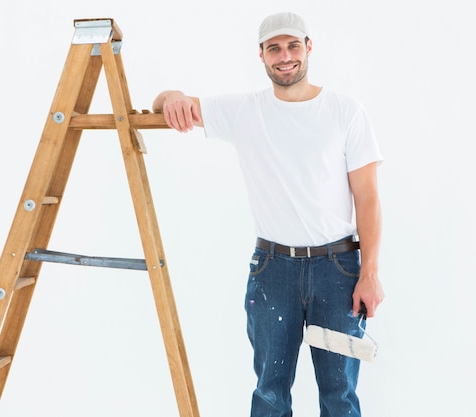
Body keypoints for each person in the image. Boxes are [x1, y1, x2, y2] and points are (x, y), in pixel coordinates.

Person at [152, 12, 384, 417]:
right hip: (273, 271)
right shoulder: (244, 111)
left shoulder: (345, 111)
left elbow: (368, 199)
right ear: (261, 55)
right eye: (274, 48)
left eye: (293, 46)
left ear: (309, 48)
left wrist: (370, 274)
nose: (285, 56)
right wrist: (170, 96)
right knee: (270, 393)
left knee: (339, 394)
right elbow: (167, 103)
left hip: (338, 270)